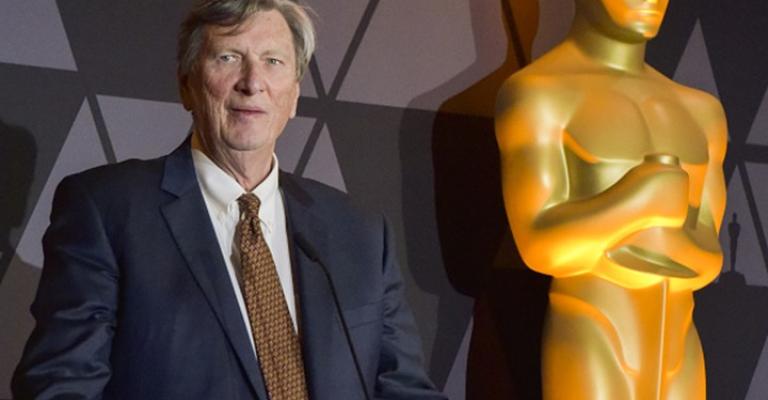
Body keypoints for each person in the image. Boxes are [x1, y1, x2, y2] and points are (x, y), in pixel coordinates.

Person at [12, 1, 446, 399]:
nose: (252, 83)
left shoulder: (359, 233)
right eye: (228, 57)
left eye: (273, 61)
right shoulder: (107, 209)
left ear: (294, 95)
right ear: (186, 85)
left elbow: (405, 389)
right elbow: (61, 386)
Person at [495, 0, 727, 398]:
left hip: (680, 342)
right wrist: (637, 201)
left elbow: (710, 260)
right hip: (591, 331)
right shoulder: (540, 94)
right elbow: (539, 246)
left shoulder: (702, 112)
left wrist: (629, 235)